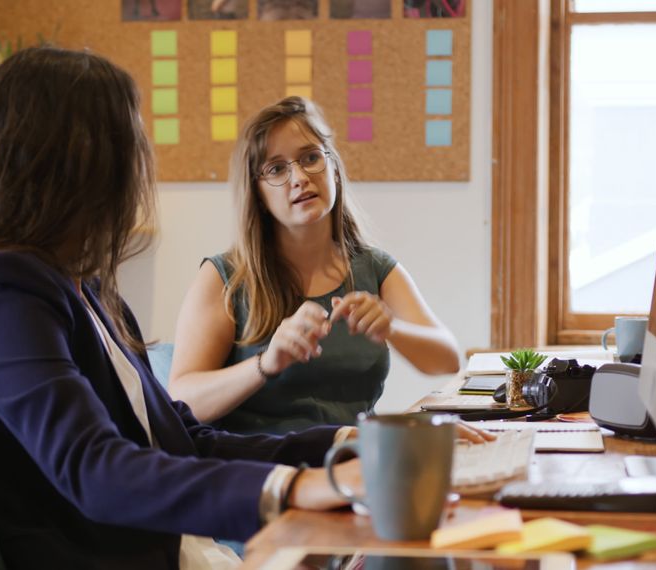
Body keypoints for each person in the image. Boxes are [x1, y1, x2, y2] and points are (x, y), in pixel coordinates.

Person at [0, 47, 362, 569]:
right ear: (81, 159)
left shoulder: (82, 288)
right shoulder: (4, 295)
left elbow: (180, 440)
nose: (141, 158)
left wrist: (339, 445)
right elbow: (94, 469)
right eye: (132, 136)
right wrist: (292, 489)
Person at [168, 97, 462, 435]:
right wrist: (265, 364)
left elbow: (448, 359)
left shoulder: (374, 268)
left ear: (333, 167)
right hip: (264, 473)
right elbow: (181, 402)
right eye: (277, 168)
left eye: (310, 158)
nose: (299, 177)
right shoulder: (224, 278)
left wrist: (391, 326)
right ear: (258, 194)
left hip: (351, 464)